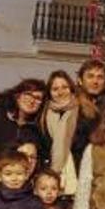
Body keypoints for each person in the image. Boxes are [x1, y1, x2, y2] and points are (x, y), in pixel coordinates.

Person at [38, 70, 98, 198]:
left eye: (64, 87)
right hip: (52, 182)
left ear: (71, 88)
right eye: (55, 89)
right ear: (49, 93)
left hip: (82, 177)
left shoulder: (86, 112)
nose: (60, 92)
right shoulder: (43, 115)